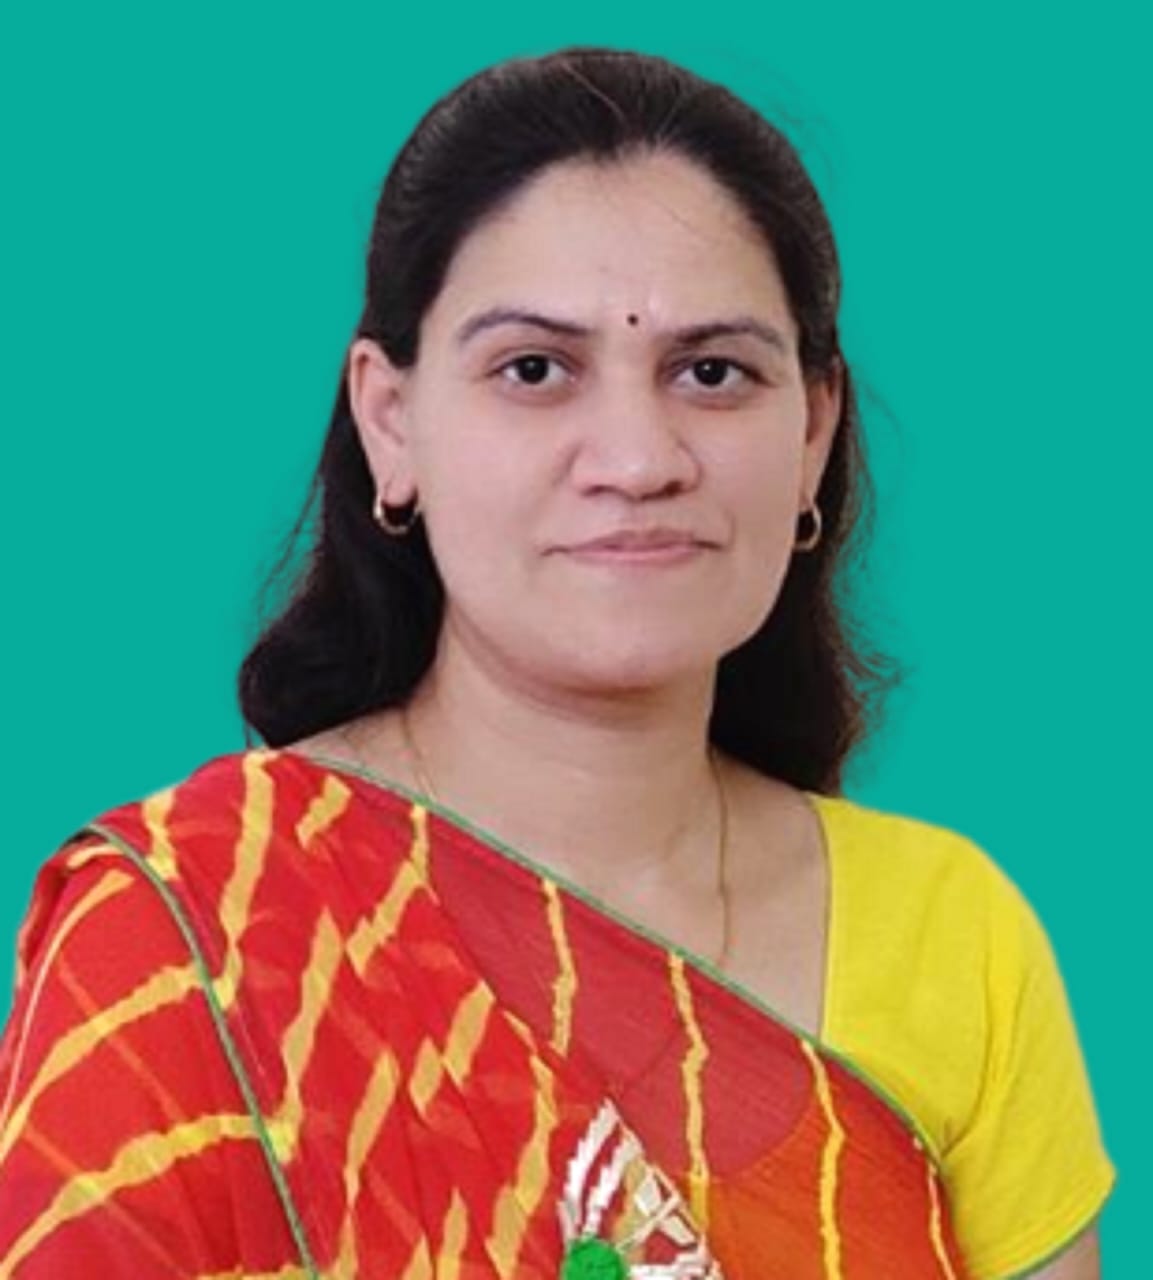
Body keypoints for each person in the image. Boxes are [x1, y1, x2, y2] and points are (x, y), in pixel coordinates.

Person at [0, 46, 1113, 1280]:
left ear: (811, 432)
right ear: (389, 421)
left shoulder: (954, 937)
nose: (636, 459)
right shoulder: (191, 938)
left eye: (712, 372)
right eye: (533, 369)